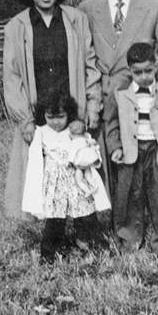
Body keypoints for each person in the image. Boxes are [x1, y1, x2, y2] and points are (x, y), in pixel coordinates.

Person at [3, 0, 102, 219]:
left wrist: (91, 106)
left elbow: (90, 66)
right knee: (43, 174)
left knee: (78, 169)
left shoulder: (76, 20)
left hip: (73, 112)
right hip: (38, 117)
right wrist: (24, 119)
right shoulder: (17, 27)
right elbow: (12, 77)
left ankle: (84, 229)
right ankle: (52, 234)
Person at [78, 0, 158, 198]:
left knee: (143, 159)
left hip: (138, 95)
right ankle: (113, 218)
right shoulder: (87, 8)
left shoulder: (155, 6)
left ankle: (147, 215)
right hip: (103, 96)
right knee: (107, 157)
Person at [105, 43, 158, 257]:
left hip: (155, 150)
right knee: (130, 194)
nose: (144, 76)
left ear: (156, 66)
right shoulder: (120, 94)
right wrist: (116, 147)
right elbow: (111, 123)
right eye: (137, 72)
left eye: (148, 70)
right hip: (132, 150)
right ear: (129, 70)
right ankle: (130, 242)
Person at [21, 89, 111, 263]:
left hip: (75, 180)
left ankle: (92, 243)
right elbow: (34, 159)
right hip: (55, 184)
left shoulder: (74, 130)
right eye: (50, 117)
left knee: (85, 213)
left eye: (60, 117)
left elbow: (87, 148)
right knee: (55, 218)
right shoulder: (41, 131)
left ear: (69, 114)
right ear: (43, 115)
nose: (55, 122)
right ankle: (49, 252)